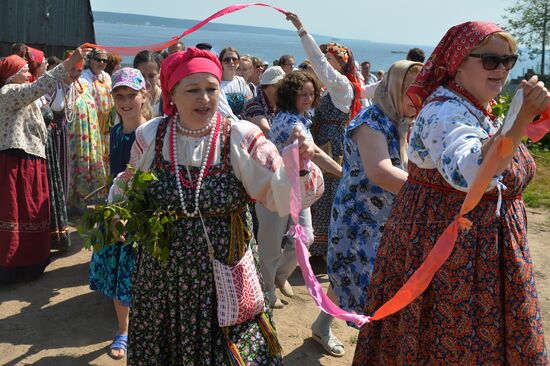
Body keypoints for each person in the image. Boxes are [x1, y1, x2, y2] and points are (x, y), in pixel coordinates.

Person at [108, 47, 324, 364]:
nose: (205, 98)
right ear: (172, 93)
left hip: (225, 273)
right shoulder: (152, 134)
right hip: (163, 277)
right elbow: (130, 183)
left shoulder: (239, 136)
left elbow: (277, 196)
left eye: (211, 89)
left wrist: (299, 165)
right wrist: (119, 214)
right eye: (193, 90)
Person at [353, 21, 549, 364]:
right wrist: (518, 121)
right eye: (490, 60)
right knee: (448, 344)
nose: (502, 69)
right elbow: (472, 173)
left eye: (509, 60)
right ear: (458, 62)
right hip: (451, 257)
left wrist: (516, 120)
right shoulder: (444, 110)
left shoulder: (474, 109)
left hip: (481, 253)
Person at [286, 11, 366, 358]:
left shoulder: (341, 85)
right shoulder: (350, 85)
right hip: (323, 145)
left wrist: (302, 30)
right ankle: (319, 259)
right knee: (320, 201)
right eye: (327, 58)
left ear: (339, 63)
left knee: (326, 199)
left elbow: (317, 62)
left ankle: (319, 258)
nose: (325, 63)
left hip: (329, 147)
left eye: (332, 59)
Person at [328, 60, 421, 318]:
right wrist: (428, 192)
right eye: (411, 90)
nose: (418, 98)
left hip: (384, 215)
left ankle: (322, 325)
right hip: (360, 217)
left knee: (351, 277)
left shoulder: (401, 121)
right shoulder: (371, 120)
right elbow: (380, 171)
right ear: (393, 87)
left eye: (422, 90)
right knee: (357, 278)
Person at [0, 48, 86, 283]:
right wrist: (68, 66)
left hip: (31, 158)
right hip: (18, 159)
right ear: (12, 74)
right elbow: (39, 87)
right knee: (18, 212)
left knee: (31, 210)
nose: (28, 72)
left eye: (28, 68)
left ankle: (30, 263)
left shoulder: (22, 93)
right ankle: (13, 266)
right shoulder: (9, 92)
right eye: (23, 69)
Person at [89, 68, 150, 360]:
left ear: (144, 96)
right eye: (120, 96)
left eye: (132, 96)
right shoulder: (114, 131)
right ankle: (123, 329)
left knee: (137, 271)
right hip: (115, 209)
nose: (126, 102)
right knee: (119, 272)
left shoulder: (149, 133)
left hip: (140, 212)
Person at [66, 52, 108, 213]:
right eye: (72, 69)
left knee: (85, 164)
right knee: (72, 165)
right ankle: (69, 202)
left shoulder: (84, 82)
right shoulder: (63, 83)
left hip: (89, 133)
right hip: (73, 134)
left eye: (78, 69)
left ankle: (81, 200)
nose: (76, 72)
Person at [81, 48, 114, 174]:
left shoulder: (106, 76)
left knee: (106, 153)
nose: (102, 63)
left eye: (104, 60)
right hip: (93, 122)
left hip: (106, 123)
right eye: (98, 59)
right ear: (91, 60)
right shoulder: (85, 76)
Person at [241, 65, 285, 134]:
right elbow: (267, 132)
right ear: (266, 87)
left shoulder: (280, 104)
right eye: (279, 85)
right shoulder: (253, 105)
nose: (283, 88)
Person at [219, 47, 253, 117]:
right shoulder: (216, 83)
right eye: (227, 60)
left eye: (234, 59)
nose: (231, 62)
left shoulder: (241, 81)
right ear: (221, 63)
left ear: (238, 63)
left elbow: (249, 103)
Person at [133, 50, 163, 117]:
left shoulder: (165, 102)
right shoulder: (128, 99)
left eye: (151, 76)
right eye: (141, 76)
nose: (146, 81)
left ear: (159, 74)